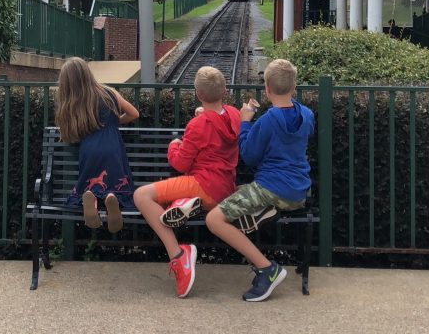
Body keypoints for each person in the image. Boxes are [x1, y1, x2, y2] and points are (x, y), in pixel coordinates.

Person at [206, 58, 314, 303]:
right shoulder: (307, 115)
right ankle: (261, 211)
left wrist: (245, 122)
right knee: (235, 192)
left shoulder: (268, 120)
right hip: (298, 190)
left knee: (214, 219)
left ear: (266, 88)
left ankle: (267, 269)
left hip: (271, 188)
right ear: (294, 86)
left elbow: (249, 156)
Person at [133, 66, 241, 298]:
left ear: (198, 94)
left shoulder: (197, 125)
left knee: (141, 196)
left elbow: (180, 164)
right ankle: (182, 204)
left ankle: (179, 256)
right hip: (225, 188)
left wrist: (174, 145)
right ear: (224, 90)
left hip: (203, 185)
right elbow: (217, 117)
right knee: (170, 196)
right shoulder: (234, 115)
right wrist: (205, 113)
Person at [55, 57, 139, 232]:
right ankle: (111, 197)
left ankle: (91, 199)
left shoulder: (71, 102)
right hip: (112, 146)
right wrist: (115, 122)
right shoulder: (108, 92)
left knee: (90, 183)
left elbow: (68, 134)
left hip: (89, 148)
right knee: (116, 184)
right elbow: (134, 113)